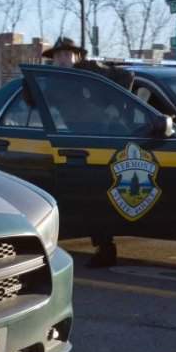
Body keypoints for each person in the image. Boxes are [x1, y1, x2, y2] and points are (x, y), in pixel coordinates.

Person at [42, 37, 132, 268]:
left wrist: (114, 107)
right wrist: (36, 76)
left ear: (77, 57)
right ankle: (103, 247)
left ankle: (106, 248)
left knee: (98, 196)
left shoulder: (90, 71)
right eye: (57, 56)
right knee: (90, 196)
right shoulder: (52, 83)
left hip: (106, 138)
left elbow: (126, 77)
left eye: (67, 55)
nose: (62, 59)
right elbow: (31, 100)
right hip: (76, 144)